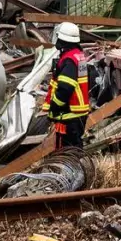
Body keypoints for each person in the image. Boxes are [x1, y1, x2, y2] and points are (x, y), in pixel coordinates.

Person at [47, 22, 91, 150]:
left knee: (68, 152)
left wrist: (54, 107)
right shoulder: (77, 55)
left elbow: (65, 88)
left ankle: (73, 170)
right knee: (75, 148)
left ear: (62, 39)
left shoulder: (68, 60)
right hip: (77, 113)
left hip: (69, 115)